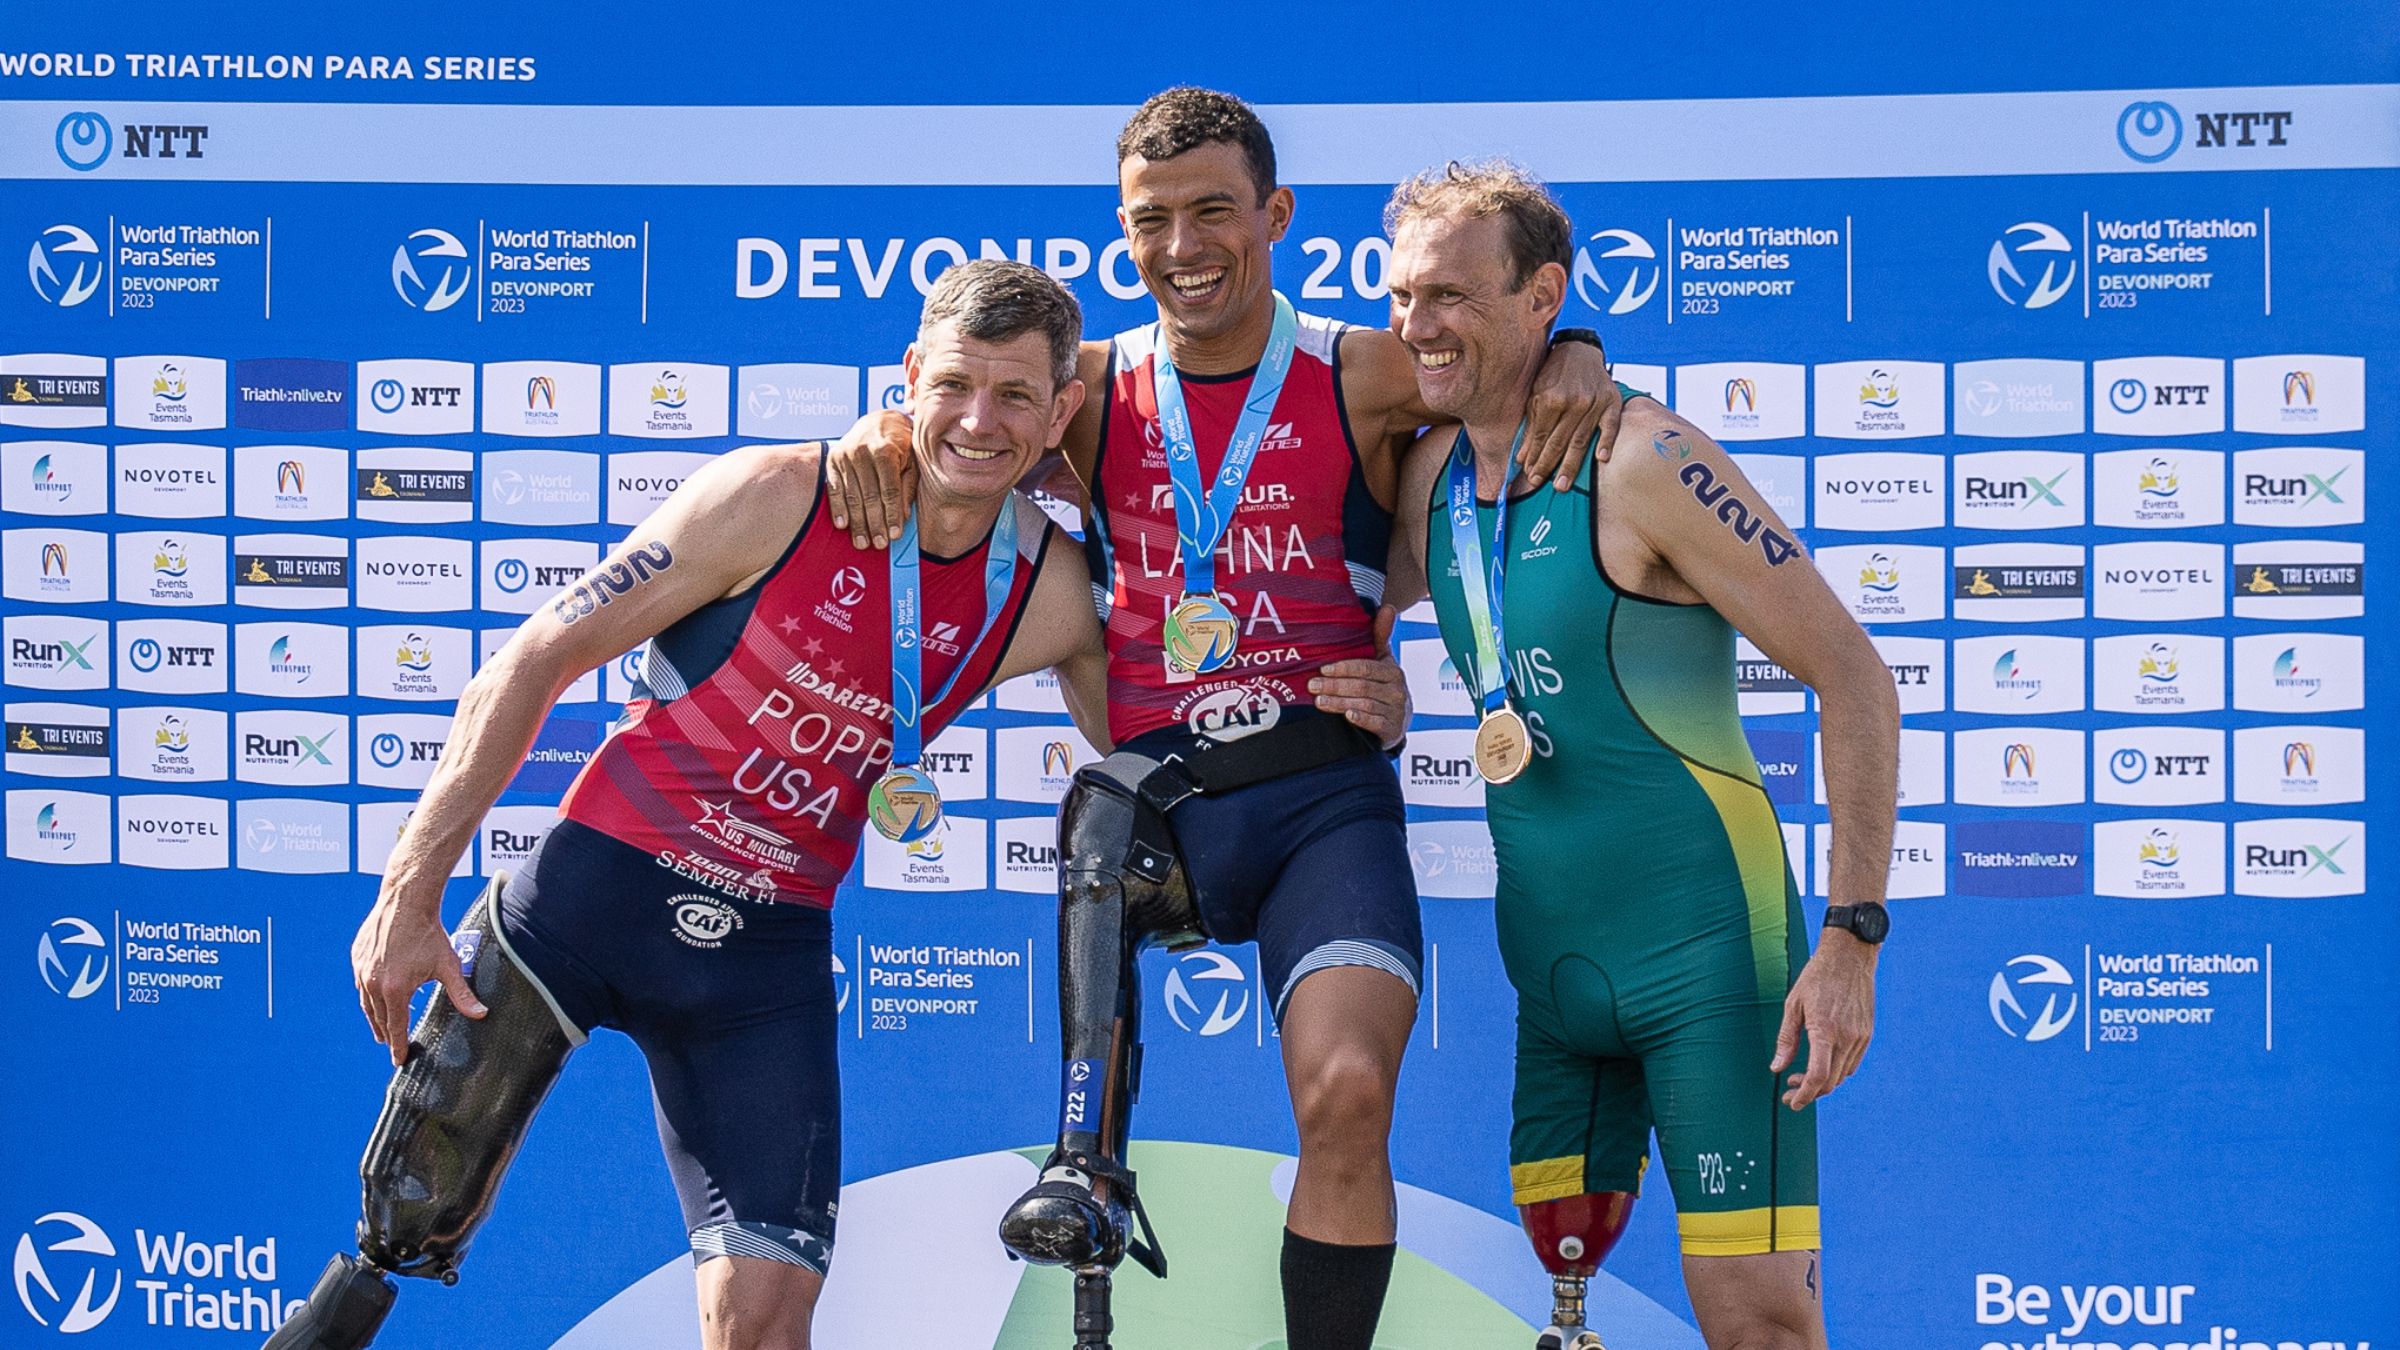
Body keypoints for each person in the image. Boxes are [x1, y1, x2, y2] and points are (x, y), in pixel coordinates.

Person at [263, 261, 1411, 1350]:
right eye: (953, 384)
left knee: (763, 1322)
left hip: (759, 967)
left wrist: (1357, 684)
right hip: (589, 897)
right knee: (404, 1219)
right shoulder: (778, 492)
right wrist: (410, 889)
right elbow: (533, 660)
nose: (978, 419)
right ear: (906, 377)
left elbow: (1166, 727)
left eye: (1016, 395)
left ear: (1062, 412)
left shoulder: (1050, 587)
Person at [828, 88, 1624, 1350]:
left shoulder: (1363, 371)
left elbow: (1507, 372)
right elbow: (958, 417)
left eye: (1214, 211)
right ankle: (1081, 1169)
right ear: (1122, 230)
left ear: (1277, 216)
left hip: (1320, 799)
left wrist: (1577, 351)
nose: (1183, 245)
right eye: (1153, 219)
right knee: (1096, 853)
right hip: (1156, 805)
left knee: (1350, 1095)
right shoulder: (1082, 390)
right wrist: (876, 434)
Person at [1380, 163, 1898, 1350]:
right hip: (1553, 976)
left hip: (1709, 963)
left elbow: (1857, 680)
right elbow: (1338, 606)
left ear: (1540, 295)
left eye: (1453, 295)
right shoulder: (1428, 477)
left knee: (1758, 1323)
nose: (1419, 326)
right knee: (1564, 1303)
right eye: (1405, 295)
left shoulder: (1646, 460)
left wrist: (1852, 937)